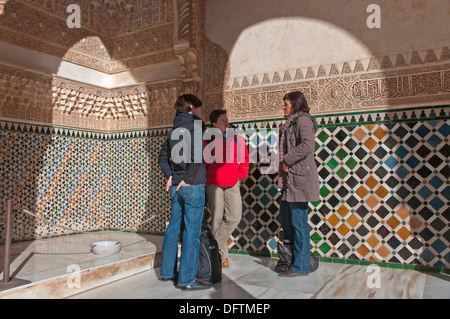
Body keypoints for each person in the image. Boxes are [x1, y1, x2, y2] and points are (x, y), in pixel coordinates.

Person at [158, 94, 211, 290]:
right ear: (190, 107)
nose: (199, 112)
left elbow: (162, 157)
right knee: (191, 232)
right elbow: (196, 159)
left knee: (173, 228)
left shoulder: (172, 130)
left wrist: (170, 176)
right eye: (198, 108)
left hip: (176, 186)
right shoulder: (195, 127)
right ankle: (187, 279)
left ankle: (166, 273)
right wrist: (188, 180)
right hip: (191, 185)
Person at [276, 91, 320, 277]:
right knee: (286, 219)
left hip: (299, 179)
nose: (283, 108)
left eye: (286, 104)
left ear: (294, 105)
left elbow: (308, 145)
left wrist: (287, 160)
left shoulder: (303, 121)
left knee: (299, 222)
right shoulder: (290, 123)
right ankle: (292, 259)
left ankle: (300, 266)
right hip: (290, 180)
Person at [204, 110, 249, 268]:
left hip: (232, 182)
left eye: (227, 119)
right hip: (213, 183)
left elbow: (244, 157)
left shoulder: (236, 137)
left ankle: (212, 246)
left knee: (234, 217)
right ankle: (222, 255)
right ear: (214, 124)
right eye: (223, 120)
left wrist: (241, 174)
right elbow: (204, 161)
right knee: (216, 219)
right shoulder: (208, 138)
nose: (227, 122)